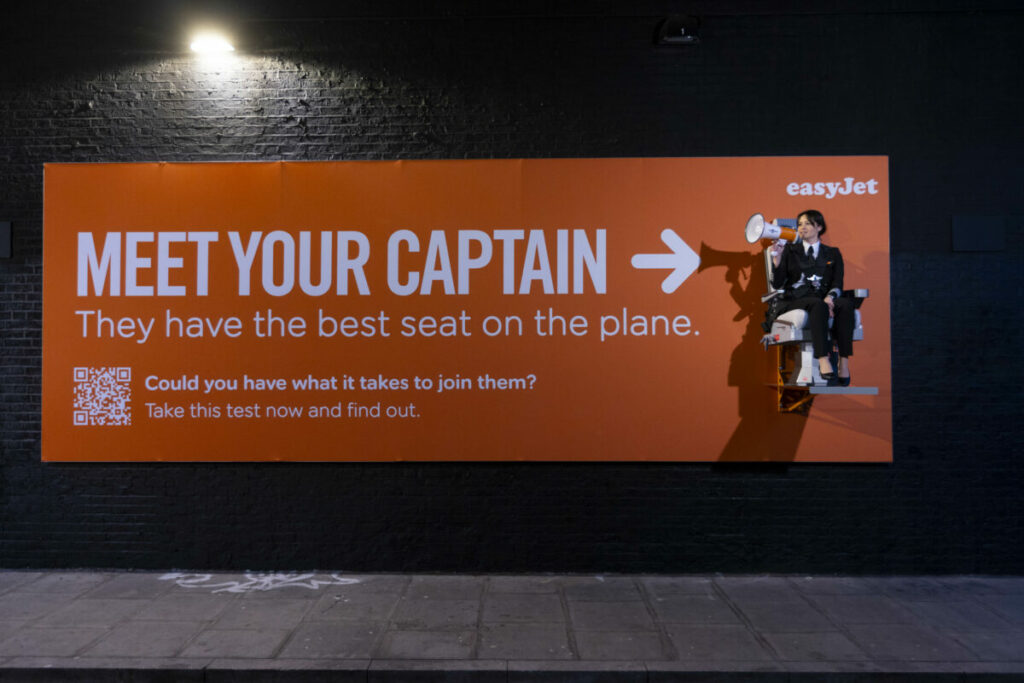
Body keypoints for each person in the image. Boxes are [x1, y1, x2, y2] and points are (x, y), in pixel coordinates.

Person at [769, 210, 855, 386]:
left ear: (819, 227)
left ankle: (843, 362)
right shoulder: (790, 251)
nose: (802, 227)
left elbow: (837, 283)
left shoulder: (833, 253)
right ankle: (823, 357)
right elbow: (777, 284)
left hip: (823, 297)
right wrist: (776, 259)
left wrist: (830, 298)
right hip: (796, 299)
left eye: (807, 223)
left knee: (845, 304)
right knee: (818, 304)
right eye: (800, 224)